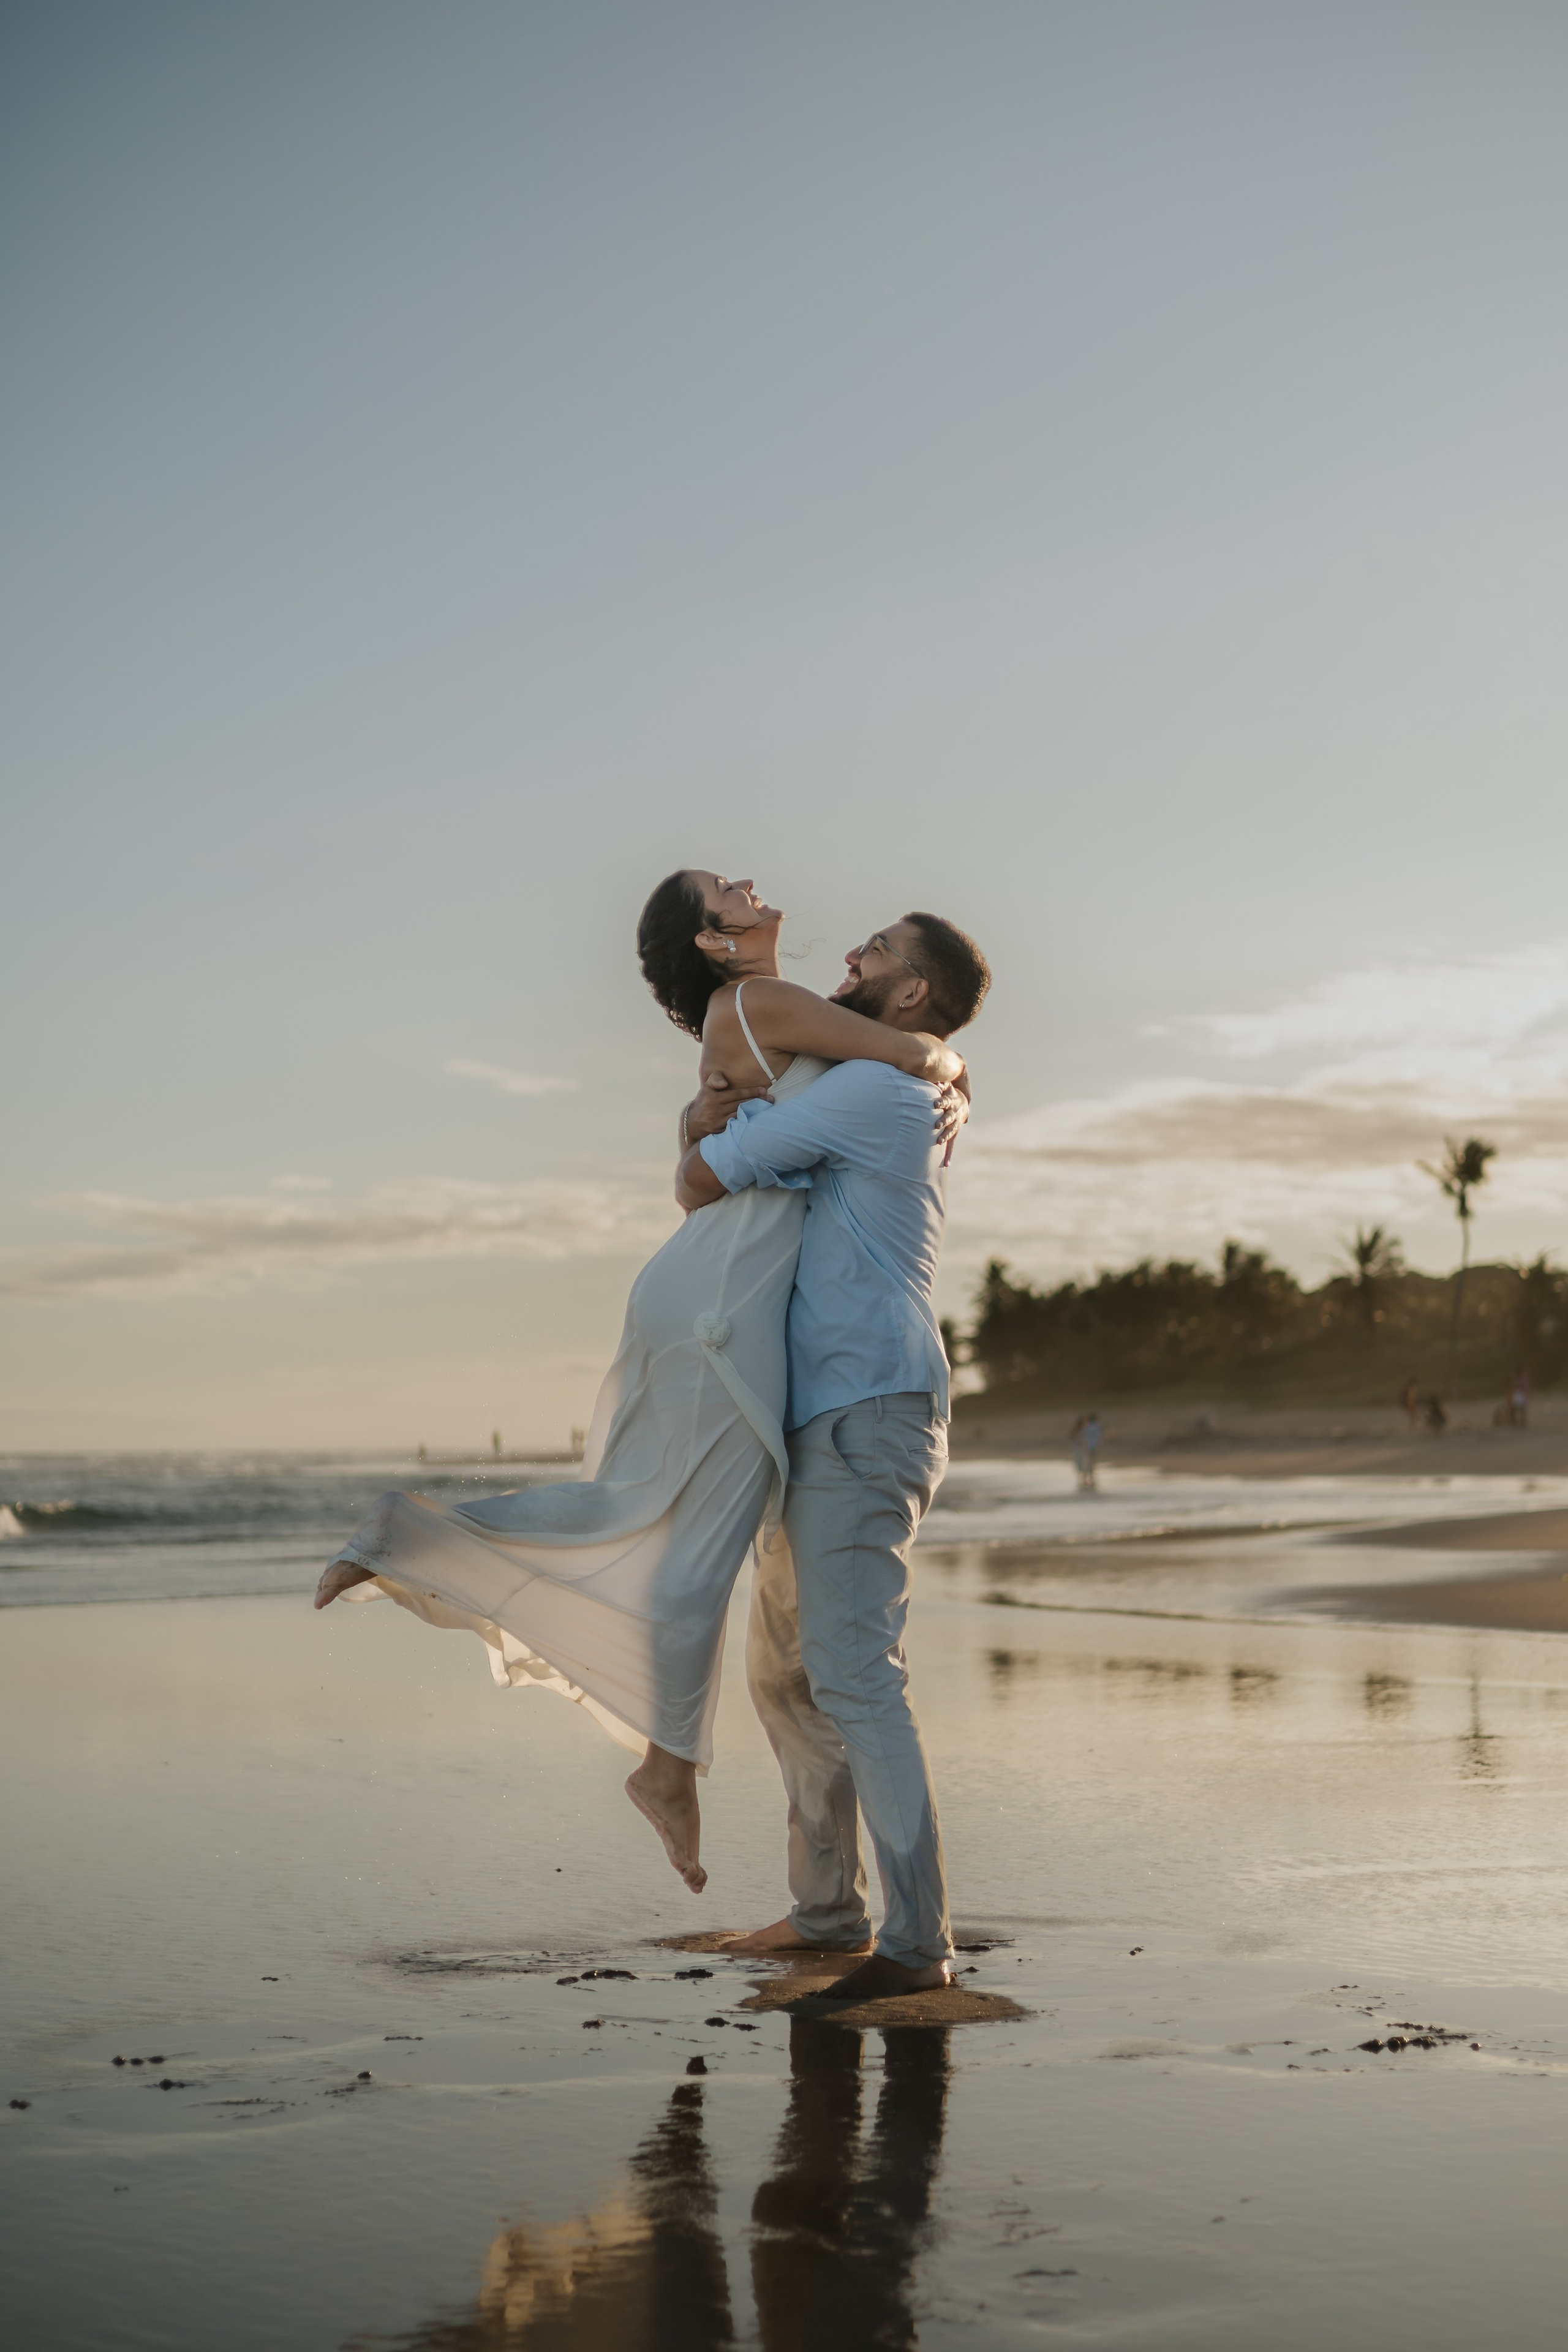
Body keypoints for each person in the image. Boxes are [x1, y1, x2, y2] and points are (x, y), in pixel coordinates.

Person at [314, 872, 967, 1898]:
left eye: (878, 950)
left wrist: (701, 1124)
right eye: (728, 892)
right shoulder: (775, 1013)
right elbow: (766, 1135)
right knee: (682, 1531)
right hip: (732, 1307)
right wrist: (946, 1059)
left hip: (768, 1328)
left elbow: (712, 1159)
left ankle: (704, 1795)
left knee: (715, 1563)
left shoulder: (793, 1040)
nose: (756, 888)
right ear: (715, 942)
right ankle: (417, 1545)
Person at [675, 911, 992, 2005]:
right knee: (788, 1678)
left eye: (875, 951)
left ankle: (917, 1944)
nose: (850, 957)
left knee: (857, 1679)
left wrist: (701, 1129)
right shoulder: (871, 1081)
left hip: (867, 1412)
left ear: (910, 996)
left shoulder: (871, 1092)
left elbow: (703, 1182)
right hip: (823, 1416)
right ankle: (827, 1915)